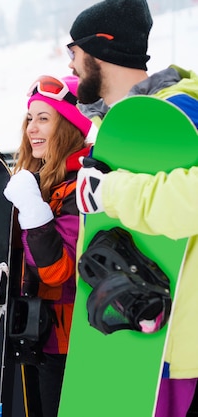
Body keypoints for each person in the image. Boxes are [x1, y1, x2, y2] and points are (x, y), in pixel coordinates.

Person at [66, 1, 198, 416]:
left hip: (178, 354)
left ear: (99, 49)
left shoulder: (183, 113)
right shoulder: (113, 129)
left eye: (73, 51)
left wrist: (112, 193)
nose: (69, 64)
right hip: (131, 337)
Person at [3, 74, 93, 417]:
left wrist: (33, 210)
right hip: (34, 335)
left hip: (70, 342)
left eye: (44, 119)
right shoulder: (37, 178)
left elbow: (57, 271)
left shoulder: (81, 182)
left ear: (68, 126)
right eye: (30, 119)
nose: (32, 129)